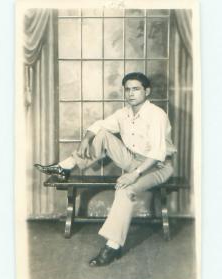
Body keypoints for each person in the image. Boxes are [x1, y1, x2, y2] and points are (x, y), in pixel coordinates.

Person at [35, 72, 177, 267]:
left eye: (136, 89)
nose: (131, 93)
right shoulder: (124, 113)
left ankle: (113, 246)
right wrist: (86, 139)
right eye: (127, 89)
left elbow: (157, 153)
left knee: (125, 189)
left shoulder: (157, 115)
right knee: (101, 134)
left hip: (157, 166)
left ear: (147, 91)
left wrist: (133, 174)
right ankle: (64, 167)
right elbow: (99, 125)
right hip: (133, 160)